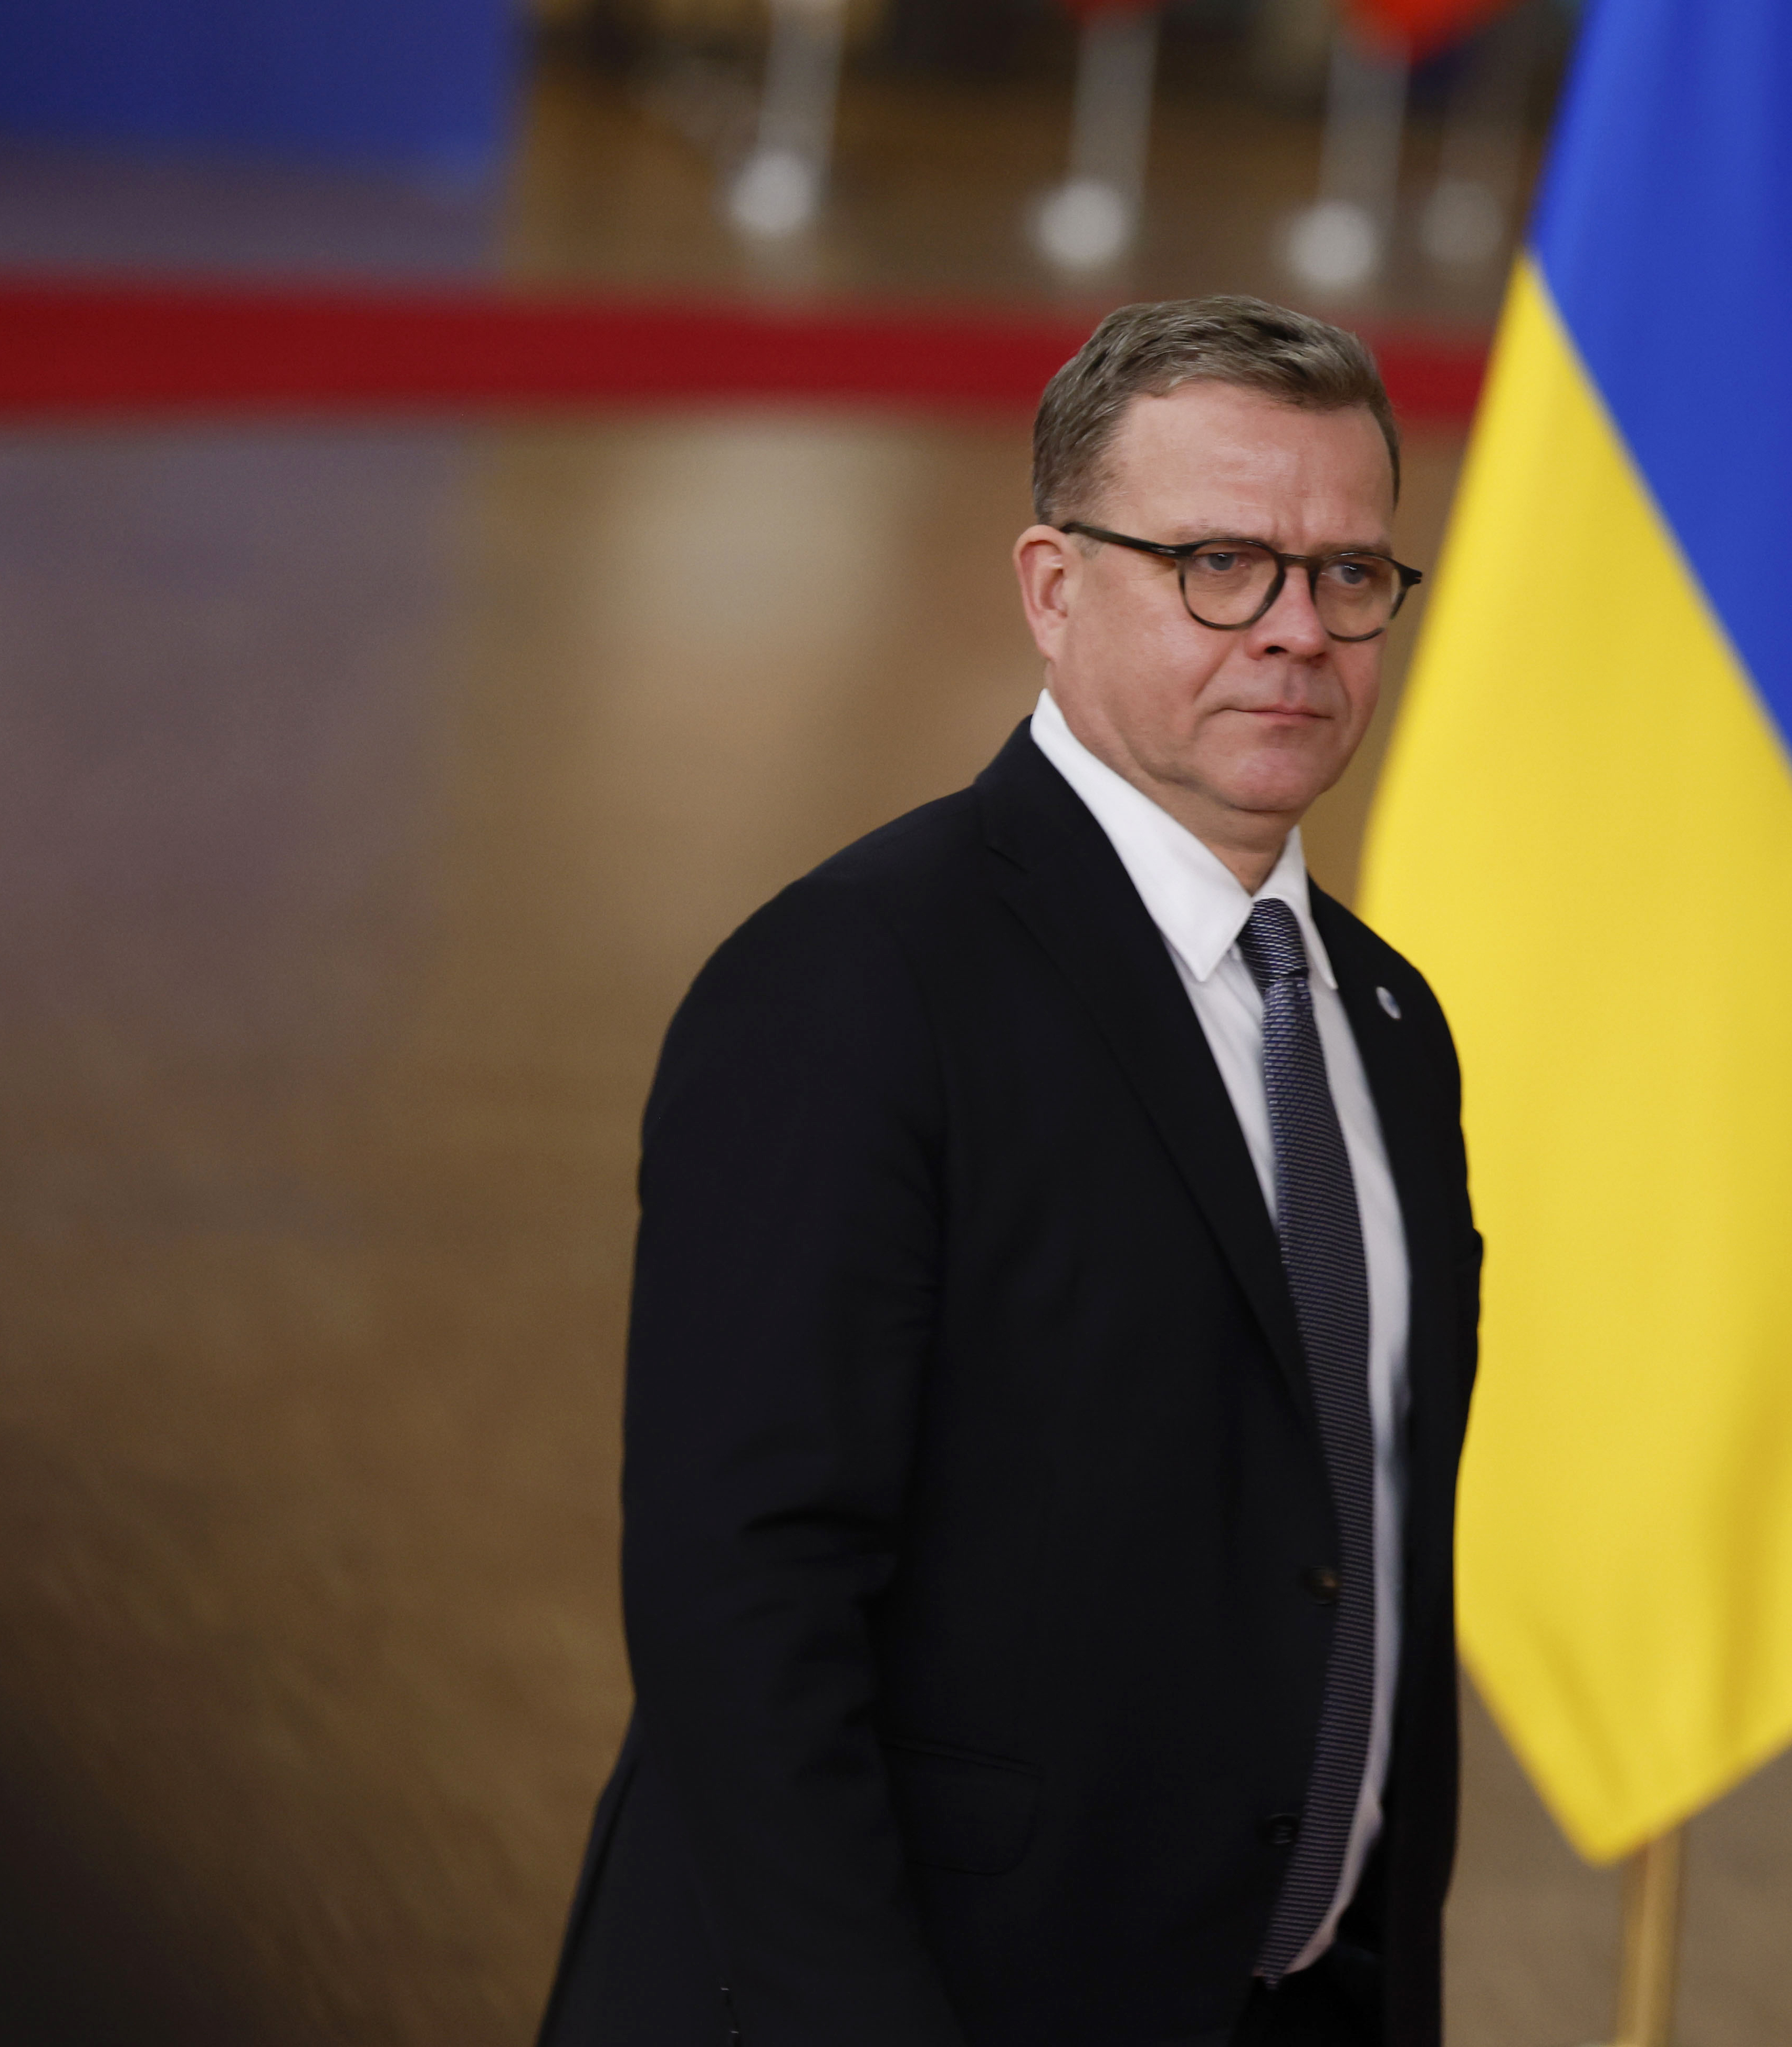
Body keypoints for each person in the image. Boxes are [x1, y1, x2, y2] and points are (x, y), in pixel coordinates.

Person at [534, 296, 1479, 2047]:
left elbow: (1358, 1551)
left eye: (1349, 574)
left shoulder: (1388, 1022)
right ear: (1052, 588)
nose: (1295, 630)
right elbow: (740, 1591)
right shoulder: (854, 982)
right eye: (1218, 563)